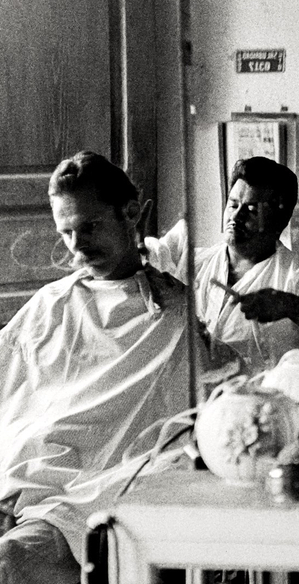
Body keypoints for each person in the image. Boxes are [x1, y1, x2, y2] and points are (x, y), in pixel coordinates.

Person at [0, 152, 207, 583]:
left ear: (130, 213)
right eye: (67, 233)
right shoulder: (49, 304)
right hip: (18, 484)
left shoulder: (172, 316)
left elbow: (187, 426)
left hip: (87, 492)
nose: (77, 246)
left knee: (10, 564)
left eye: (90, 227)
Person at [147, 156, 299, 370]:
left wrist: (294, 308)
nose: (236, 217)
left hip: (268, 400)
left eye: (251, 210)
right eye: (233, 205)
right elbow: (145, 259)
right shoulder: (194, 263)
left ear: (280, 221)